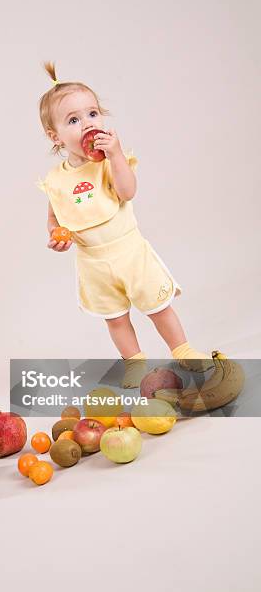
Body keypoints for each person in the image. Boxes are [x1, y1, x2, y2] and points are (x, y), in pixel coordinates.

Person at [36, 61, 213, 388]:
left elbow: (128, 192)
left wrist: (116, 156)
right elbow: (55, 218)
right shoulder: (56, 180)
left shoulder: (107, 162)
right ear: (55, 136)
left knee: (159, 307)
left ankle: (183, 348)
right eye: (73, 120)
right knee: (116, 319)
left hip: (130, 252)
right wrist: (56, 236)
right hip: (93, 263)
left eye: (93, 114)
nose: (87, 124)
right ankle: (134, 362)